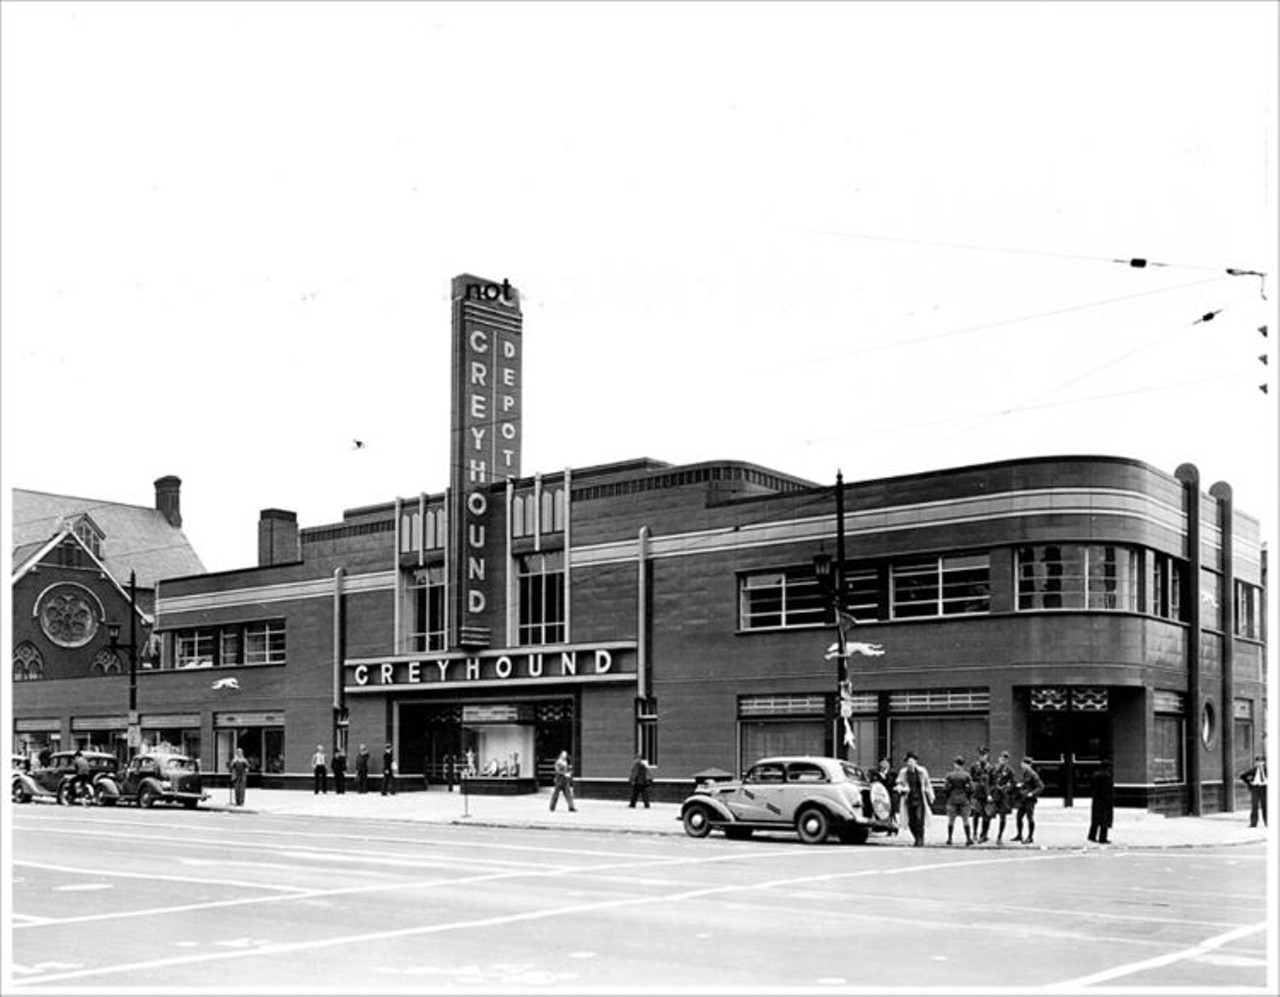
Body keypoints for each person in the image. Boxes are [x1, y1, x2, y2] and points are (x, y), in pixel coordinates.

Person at [895, 752, 934, 847]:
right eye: (908, 762)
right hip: (909, 799)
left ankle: (920, 839)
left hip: (920, 799)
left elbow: (927, 783)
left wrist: (930, 795)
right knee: (911, 821)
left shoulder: (922, 771)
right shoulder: (903, 772)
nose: (909, 763)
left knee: (919, 819)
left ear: (915, 762)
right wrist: (900, 788)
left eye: (911, 761)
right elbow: (899, 783)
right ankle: (916, 837)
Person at [943, 755, 974, 846]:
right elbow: (971, 789)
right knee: (966, 820)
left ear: (955, 764)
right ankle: (968, 839)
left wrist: (949, 795)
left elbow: (945, 789)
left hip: (952, 800)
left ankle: (949, 839)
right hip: (964, 800)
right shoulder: (967, 775)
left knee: (951, 821)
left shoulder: (950, 775)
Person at [1014, 756, 1044, 844]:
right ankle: (1019, 835)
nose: (1022, 765)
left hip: (1030, 800)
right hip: (1023, 799)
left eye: (1023, 764)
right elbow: (1025, 784)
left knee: (1030, 818)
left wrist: (1032, 793)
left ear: (1028, 765)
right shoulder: (1025, 773)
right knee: (1019, 817)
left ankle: (1030, 837)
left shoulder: (1033, 774)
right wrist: (1020, 786)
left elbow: (1041, 786)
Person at [989, 750, 1017, 845]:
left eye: (1005, 759)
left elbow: (1013, 783)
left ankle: (999, 836)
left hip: (1004, 796)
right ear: (999, 759)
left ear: (1007, 761)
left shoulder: (1010, 771)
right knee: (988, 814)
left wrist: (1006, 787)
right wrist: (989, 793)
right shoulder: (993, 769)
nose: (1003, 761)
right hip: (994, 794)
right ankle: (983, 835)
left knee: (1003, 817)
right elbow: (989, 782)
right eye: (1002, 759)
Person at [968, 746, 994, 843]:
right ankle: (974, 833)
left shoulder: (991, 767)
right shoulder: (974, 766)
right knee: (976, 814)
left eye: (984, 755)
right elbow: (970, 779)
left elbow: (992, 782)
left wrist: (990, 794)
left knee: (987, 815)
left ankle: (984, 834)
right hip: (976, 793)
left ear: (987, 756)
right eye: (981, 755)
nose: (982, 757)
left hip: (987, 794)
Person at [1088, 760, 1114, 844]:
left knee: (1095, 819)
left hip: (1096, 800)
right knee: (1104, 820)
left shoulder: (1095, 775)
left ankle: (1092, 836)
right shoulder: (1107, 776)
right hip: (1104, 801)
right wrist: (1109, 800)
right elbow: (1106, 790)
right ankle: (1102, 838)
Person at [1239, 754, 1268, 828]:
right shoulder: (1253, 770)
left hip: (1264, 788)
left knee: (1265, 805)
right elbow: (1242, 776)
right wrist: (1250, 782)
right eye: (1257, 762)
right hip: (1255, 788)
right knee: (1254, 805)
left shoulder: (1267, 770)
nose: (1259, 763)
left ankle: (1267, 822)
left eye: (1261, 762)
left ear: (1264, 762)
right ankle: (1253, 823)